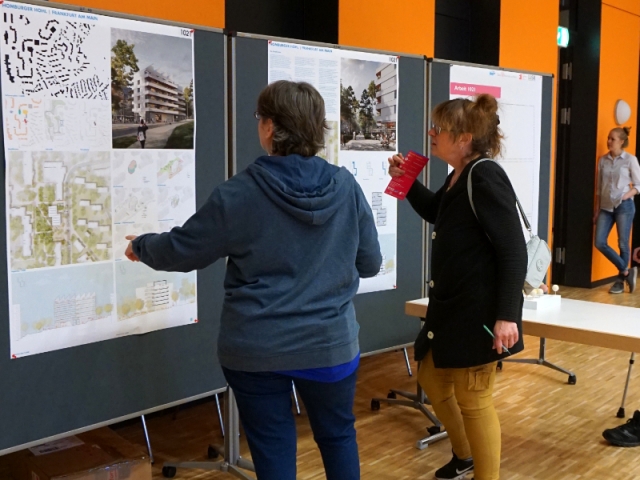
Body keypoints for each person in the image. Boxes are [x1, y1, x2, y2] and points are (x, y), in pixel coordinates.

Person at [124, 80, 382, 480]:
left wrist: (142, 246)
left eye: (260, 117)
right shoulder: (346, 186)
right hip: (329, 345)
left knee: (273, 445)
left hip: (257, 348)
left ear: (270, 127)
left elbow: (184, 249)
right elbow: (370, 263)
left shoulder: (240, 192)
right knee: (337, 436)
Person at [388, 95, 527, 480]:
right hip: (452, 308)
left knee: (474, 398)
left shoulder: (484, 176)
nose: (431, 133)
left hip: (479, 312)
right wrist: (405, 180)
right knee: (432, 378)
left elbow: (513, 249)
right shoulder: (459, 175)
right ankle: (464, 456)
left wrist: (506, 316)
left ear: (464, 138)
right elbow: (437, 211)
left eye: (440, 129)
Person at [593, 127, 640, 294]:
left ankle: (620, 281)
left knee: (623, 243)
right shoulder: (602, 160)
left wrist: (627, 195)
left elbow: (638, 185)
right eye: (608, 138)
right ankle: (627, 271)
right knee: (599, 242)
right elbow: (599, 188)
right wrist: (597, 209)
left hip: (624, 206)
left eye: (612, 139)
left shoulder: (630, 160)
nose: (609, 141)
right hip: (605, 207)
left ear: (621, 141)